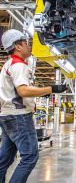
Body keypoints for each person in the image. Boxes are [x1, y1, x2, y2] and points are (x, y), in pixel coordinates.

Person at [0, 29, 67, 183]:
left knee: (4, 159)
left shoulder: (7, 65)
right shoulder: (18, 65)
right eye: (26, 43)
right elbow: (23, 91)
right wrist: (51, 89)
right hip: (19, 117)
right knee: (30, 156)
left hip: (6, 116)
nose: (29, 46)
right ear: (17, 46)